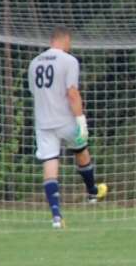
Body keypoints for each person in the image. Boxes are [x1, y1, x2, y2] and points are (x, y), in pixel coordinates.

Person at [27, 27, 107, 228]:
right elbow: (72, 93)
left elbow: (33, 92)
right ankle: (92, 192)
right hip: (66, 120)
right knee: (81, 149)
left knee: (50, 164)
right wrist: (81, 119)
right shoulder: (69, 61)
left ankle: (56, 216)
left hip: (44, 122)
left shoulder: (34, 62)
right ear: (64, 39)